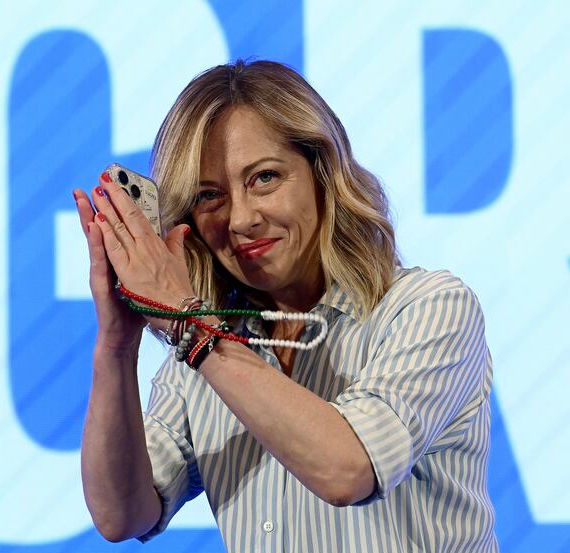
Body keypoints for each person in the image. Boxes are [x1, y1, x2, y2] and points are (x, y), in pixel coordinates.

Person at [73, 59, 497, 552]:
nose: (241, 219)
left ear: (324, 174)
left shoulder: (429, 307)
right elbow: (120, 513)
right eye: (210, 196)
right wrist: (116, 344)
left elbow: (347, 469)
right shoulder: (202, 350)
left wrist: (191, 326)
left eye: (265, 178)